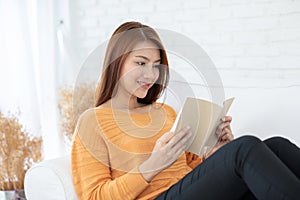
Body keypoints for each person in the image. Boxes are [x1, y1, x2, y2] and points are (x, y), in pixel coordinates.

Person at [71, 21, 300, 200]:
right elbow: (95, 196)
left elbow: (191, 170)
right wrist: (153, 165)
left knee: (276, 146)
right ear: (116, 62)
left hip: (189, 192)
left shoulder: (166, 112)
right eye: (140, 63)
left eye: (155, 65)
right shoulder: (92, 121)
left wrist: (216, 153)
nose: (150, 75)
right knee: (245, 148)